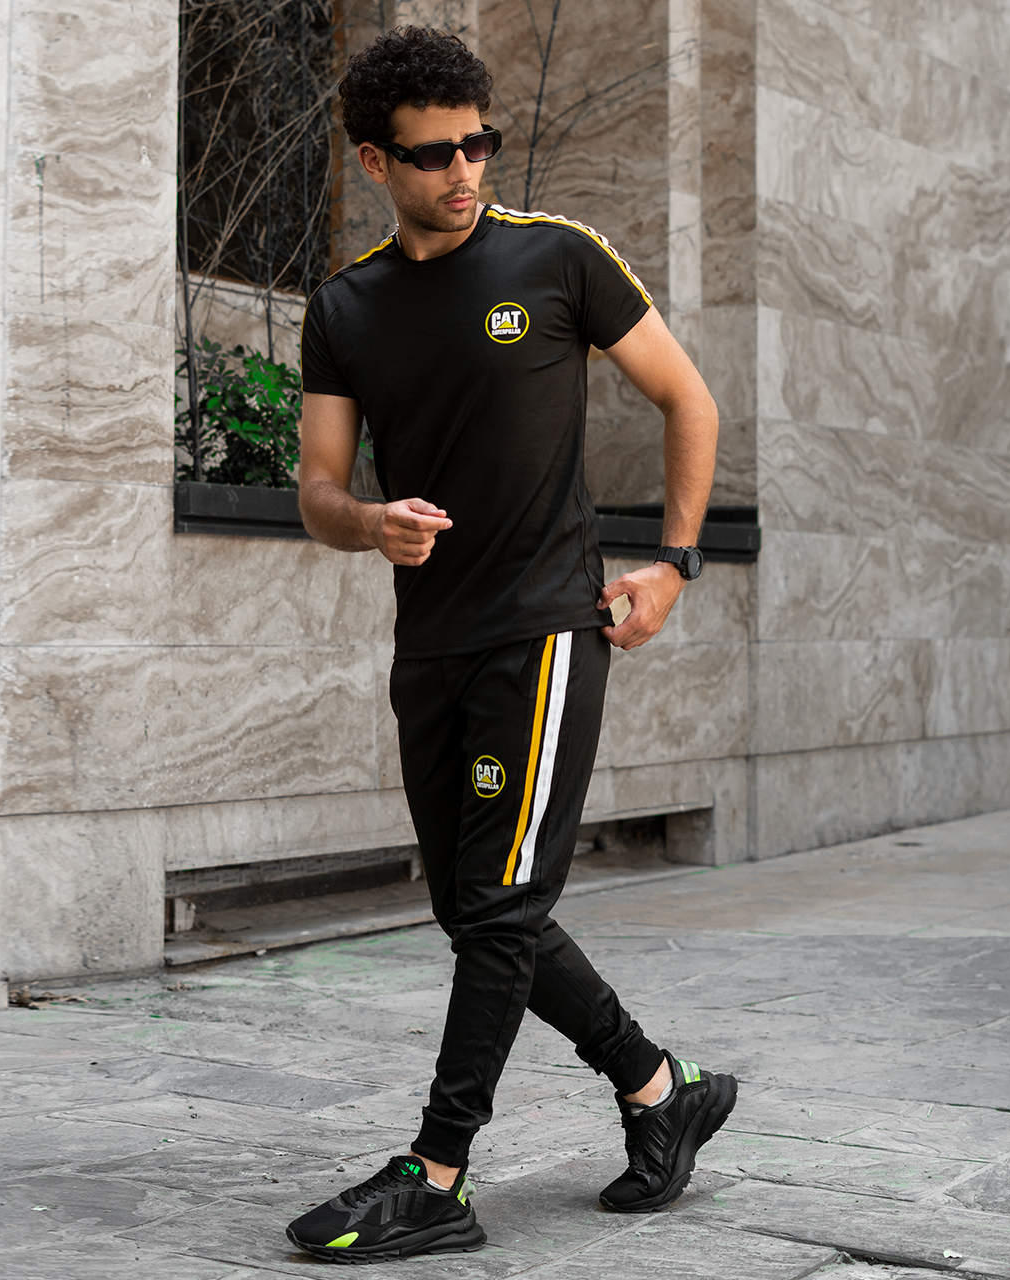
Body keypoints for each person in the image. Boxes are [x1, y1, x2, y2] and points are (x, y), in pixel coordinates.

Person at [285, 26, 736, 1264]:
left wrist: (673, 564)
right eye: (434, 153)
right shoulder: (347, 306)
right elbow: (317, 486)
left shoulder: (557, 258)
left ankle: (436, 1172)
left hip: (543, 631)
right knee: (478, 906)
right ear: (375, 161)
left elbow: (687, 398)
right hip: (429, 643)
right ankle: (660, 1088)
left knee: (495, 907)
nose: (464, 169)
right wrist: (368, 521)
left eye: (477, 142)